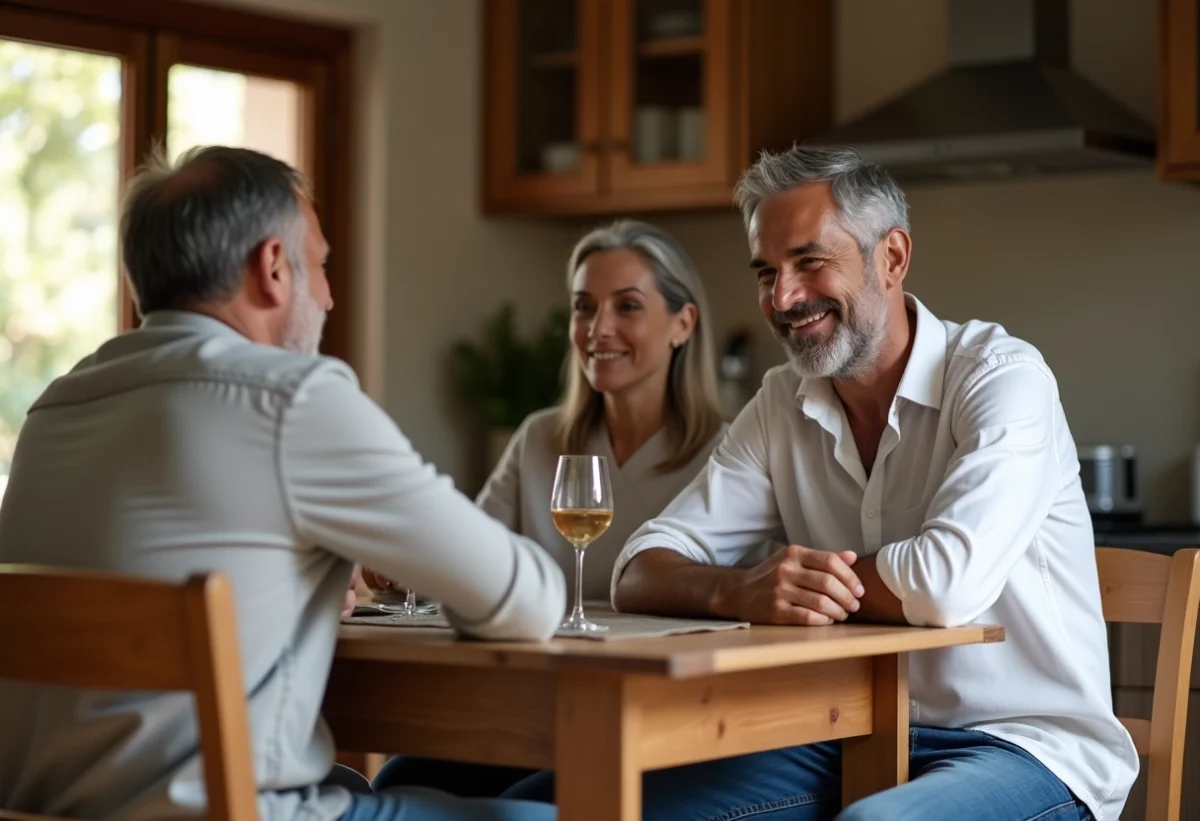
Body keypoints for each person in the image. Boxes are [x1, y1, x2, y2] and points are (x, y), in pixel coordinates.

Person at [502, 145, 1139, 821]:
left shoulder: (1002, 377)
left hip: (1026, 745)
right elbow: (639, 567)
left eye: (809, 262)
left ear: (892, 257)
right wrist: (737, 589)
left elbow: (942, 586)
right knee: (570, 798)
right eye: (766, 272)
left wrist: (805, 589)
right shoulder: (780, 403)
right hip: (843, 734)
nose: (783, 298)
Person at [0, 146, 564, 821]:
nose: (327, 296)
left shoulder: (56, 406)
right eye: (319, 265)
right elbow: (526, 601)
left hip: (40, 812)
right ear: (272, 267)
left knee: (364, 784)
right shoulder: (291, 399)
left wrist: (300, 577)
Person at [369, 218, 729, 796]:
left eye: (627, 306)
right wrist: (409, 570)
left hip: (656, 719)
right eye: (584, 307)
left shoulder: (727, 458)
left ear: (682, 324)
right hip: (531, 708)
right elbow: (467, 558)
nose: (598, 328)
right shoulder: (539, 440)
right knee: (397, 778)